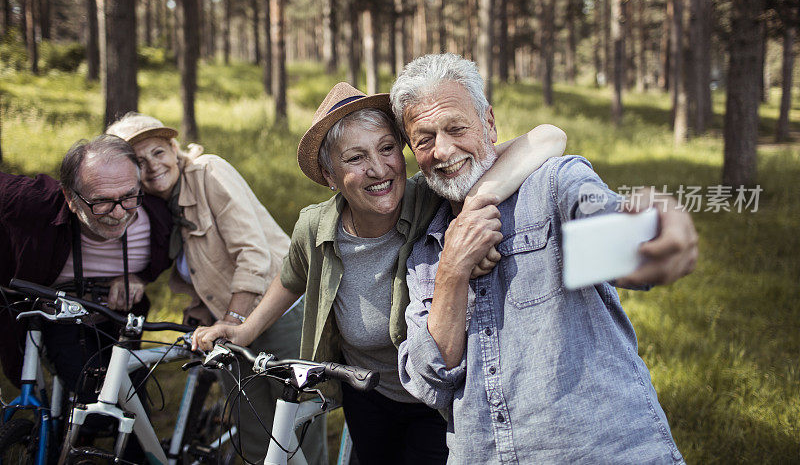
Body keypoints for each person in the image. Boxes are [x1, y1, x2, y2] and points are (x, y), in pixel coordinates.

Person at [192, 81, 568, 464]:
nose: (378, 169)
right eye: (355, 158)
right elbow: (291, 279)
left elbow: (548, 138)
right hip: (366, 392)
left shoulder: (430, 195)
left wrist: (471, 212)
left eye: (387, 148)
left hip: (439, 396)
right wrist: (244, 330)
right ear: (330, 175)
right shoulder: (315, 227)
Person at [392, 53, 698, 464]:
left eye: (456, 127)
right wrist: (453, 269)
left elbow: (621, 239)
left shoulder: (553, 186)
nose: (442, 150)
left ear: (490, 123)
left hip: (599, 451)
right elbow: (431, 384)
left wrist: (652, 237)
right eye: (424, 139)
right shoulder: (425, 255)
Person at [105, 113, 324, 465]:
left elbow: (252, 254)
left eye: (158, 153)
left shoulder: (208, 171)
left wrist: (232, 318)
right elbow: (200, 268)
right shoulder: (161, 205)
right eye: (139, 162)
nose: (152, 167)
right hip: (231, 327)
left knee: (296, 434)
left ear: (174, 149)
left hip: (281, 312)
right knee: (253, 434)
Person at [0, 134, 170, 407]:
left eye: (128, 196)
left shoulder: (159, 219)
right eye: (101, 201)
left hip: (122, 320)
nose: (118, 214)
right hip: (59, 321)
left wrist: (139, 278)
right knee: (86, 400)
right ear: (69, 197)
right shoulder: (34, 202)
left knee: (132, 404)